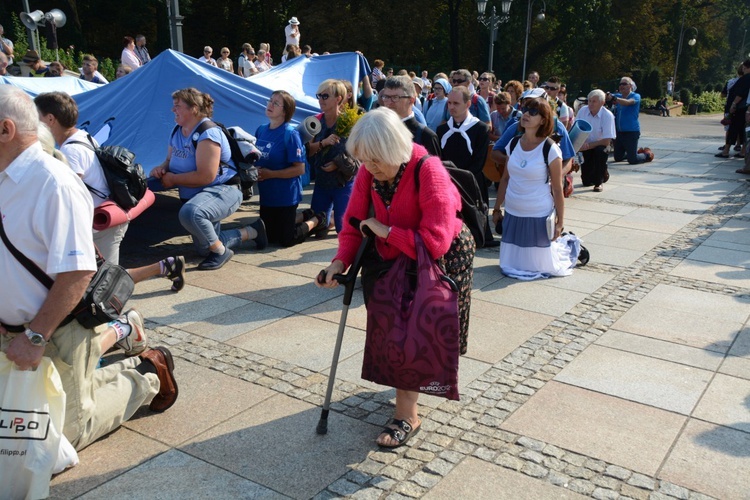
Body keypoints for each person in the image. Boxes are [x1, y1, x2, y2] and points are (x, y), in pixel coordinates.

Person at [0, 85, 178, 453]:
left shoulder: (53, 182)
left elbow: (77, 273)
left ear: (6, 130)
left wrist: (35, 336)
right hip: (13, 328)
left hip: (52, 330)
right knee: (26, 417)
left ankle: (146, 373)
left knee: (66, 435)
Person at [317, 107, 475, 446]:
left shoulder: (428, 170)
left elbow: (435, 242)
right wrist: (338, 263)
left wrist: (386, 231)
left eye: (375, 160)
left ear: (394, 150)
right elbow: (353, 223)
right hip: (393, 260)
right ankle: (405, 393)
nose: (369, 168)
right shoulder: (370, 172)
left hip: (437, 260)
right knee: (390, 331)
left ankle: (407, 415)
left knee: (412, 336)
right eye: (364, 161)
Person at [35, 90, 187, 292]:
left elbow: (68, 196)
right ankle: (167, 266)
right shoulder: (83, 136)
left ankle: (126, 321)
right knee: (103, 279)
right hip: (106, 217)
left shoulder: (71, 151)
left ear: (50, 119)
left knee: (104, 287)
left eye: (37, 118)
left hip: (101, 223)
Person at [149, 88, 267, 269]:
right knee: (206, 247)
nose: (173, 110)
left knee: (190, 214)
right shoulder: (177, 130)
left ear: (194, 109)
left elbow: (206, 176)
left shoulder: (208, 133)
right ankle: (252, 231)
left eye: (178, 106)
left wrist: (173, 180)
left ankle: (222, 252)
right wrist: (161, 169)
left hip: (224, 190)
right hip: (201, 195)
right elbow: (169, 160)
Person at [492, 98, 580, 280]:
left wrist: (559, 222)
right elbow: (505, 178)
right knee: (511, 266)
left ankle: (571, 243)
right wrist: (497, 208)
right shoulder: (514, 143)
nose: (526, 115)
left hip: (537, 212)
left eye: (533, 112)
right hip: (514, 212)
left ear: (543, 120)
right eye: (525, 110)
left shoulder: (551, 149)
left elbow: (557, 189)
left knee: (538, 267)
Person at [255, 90, 324, 246]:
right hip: (267, 195)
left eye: (276, 103)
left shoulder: (290, 134)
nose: (270, 105)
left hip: (285, 196)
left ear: (285, 111)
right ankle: (305, 215)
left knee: (286, 240)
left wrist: (270, 174)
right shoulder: (261, 130)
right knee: (269, 238)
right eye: (270, 100)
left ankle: (316, 219)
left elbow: (299, 169)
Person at [438, 86, 498, 247]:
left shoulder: (480, 128)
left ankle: (479, 236)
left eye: (456, 103)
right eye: (449, 103)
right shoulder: (442, 129)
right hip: (448, 181)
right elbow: (439, 159)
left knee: (474, 215)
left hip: (472, 180)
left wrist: (461, 179)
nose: (451, 107)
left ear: (468, 104)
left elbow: (479, 161)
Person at [307, 79, 353, 236]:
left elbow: (361, 155)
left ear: (338, 99)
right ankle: (330, 221)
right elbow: (308, 151)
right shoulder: (316, 121)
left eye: (325, 96)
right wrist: (323, 143)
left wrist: (337, 163)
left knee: (344, 230)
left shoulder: (349, 122)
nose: (320, 100)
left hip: (343, 183)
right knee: (318, 230)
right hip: (322, 182)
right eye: (319, 96)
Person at [381, 76, 441, 156]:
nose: (389, 102)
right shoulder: (378, 129)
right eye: (386, 97)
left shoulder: (426, 136)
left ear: (411, 100)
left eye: (395, 97)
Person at [576, 89, 616, 192]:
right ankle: (598, 174)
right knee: (586, 181)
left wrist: (589, 145)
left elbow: (606, 140)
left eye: (594, 101)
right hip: (585, 144)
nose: (591, 104)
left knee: (600, 152)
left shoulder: (607, 115)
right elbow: (576, 129)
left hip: (601, 145)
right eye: (589, 101)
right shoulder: (582, 111)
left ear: (602, 103)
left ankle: (599, 182)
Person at [608, 76, 653, 164]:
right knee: (618, 158)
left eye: (624, 84)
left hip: (631, 131)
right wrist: (605, 96)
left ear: (630, 86)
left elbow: (628, 102)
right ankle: (631, 153)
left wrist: (614, 98)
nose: (621, 86)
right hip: (619, 132)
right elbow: (607, 97)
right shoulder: (618, 96)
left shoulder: (636, 96)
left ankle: (647, 154)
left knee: (633, 160)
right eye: (620, 84)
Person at [717, 60, 750, 162]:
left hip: (740, 108)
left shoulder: (746, 78)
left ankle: (726, 151)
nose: (743, 70)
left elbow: (741, 93)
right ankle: (743, 151)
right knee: (742, 130)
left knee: (733, 129)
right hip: (743, 108)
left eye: (744, 68)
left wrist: (734, 104)